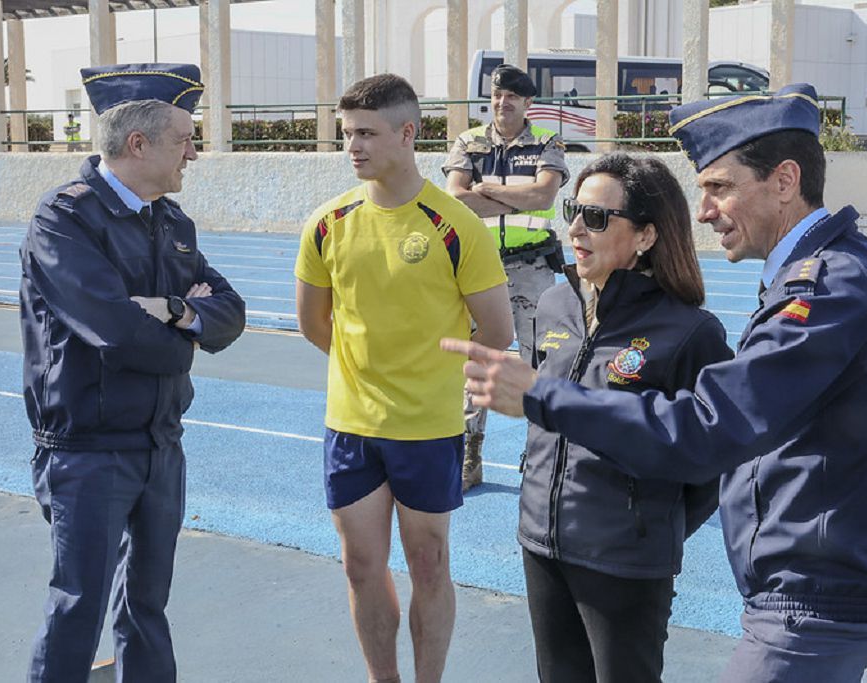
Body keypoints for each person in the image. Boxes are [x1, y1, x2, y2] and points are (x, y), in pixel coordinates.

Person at [444, 83, 867, 682]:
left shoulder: (827, 291)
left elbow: (706, 428)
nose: (702, 211)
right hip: (808, 584)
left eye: (719, 187)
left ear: (784, 181)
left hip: (814, 597)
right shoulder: (828, 273)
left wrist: (541, 395)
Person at [20, 63, 246, 682]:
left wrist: (175, 309)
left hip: (159, 445)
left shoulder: (171, 223)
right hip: (86, 452)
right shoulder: (64, 219)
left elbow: (231, 314)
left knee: (146, 606)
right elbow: (115, 334)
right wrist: (184, 338)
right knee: (78, 606)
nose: (194, 153)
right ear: (138, 144)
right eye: (184, 138)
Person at [294, 74, 513, 683]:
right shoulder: (328, 222)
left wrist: (430, 373)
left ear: (407, 134)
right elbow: (315, 325)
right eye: (347, 134)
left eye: (366, 133)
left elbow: (496, 331)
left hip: (428, 425)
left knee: (428, 563)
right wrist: (366, 371)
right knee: (361, 564)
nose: (353, 147)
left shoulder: (453, 225)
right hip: (352, 423)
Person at [520, 153, 733, 683]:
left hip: (624, 559)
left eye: (595, 217)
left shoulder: (690, 333)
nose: (574, 228)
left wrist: (648, 522)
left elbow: (714, 459)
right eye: (574, 210)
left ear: (644, 236)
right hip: (541, 543)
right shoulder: (552, 305)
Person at [443, 63, 569, 491]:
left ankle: (541, 454)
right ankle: (469, 453)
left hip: (532, 269)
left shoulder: (547, 143)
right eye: (497, 96)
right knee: (476, 361)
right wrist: (516, 199)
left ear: (527, 102)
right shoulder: (469, 142)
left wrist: (488, 192)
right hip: (480, 270)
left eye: (511, 97)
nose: (502, 103)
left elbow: (544, 194)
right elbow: (455, 201)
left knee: (541, 361)